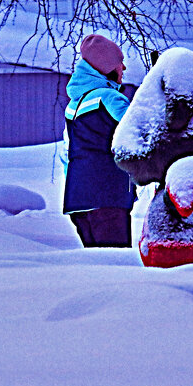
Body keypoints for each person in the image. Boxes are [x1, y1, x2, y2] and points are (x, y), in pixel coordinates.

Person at [63, 34, 136, 247]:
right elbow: (137, 133)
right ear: (107, 68)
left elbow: (67, 150)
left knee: (98, 265)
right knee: (116, 265)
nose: (123, 68)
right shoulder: (110, 97)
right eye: (119, 63)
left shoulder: (73, 106)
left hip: (77, 198)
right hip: (108, 196)